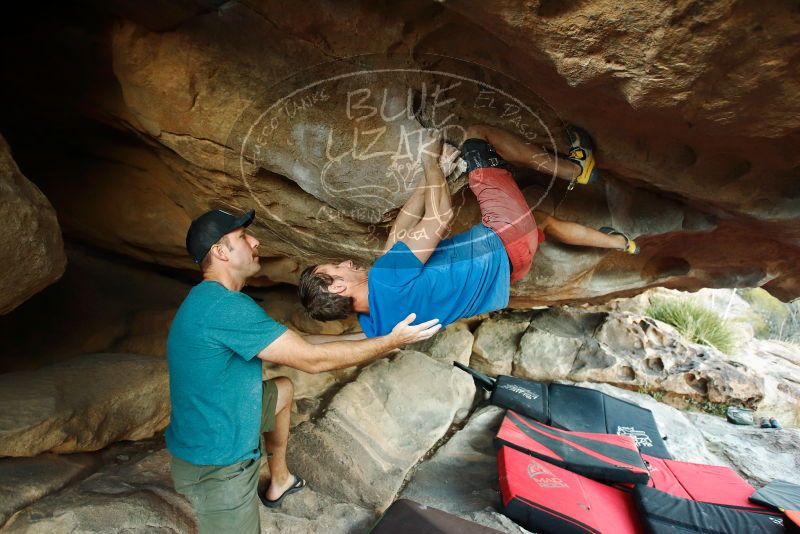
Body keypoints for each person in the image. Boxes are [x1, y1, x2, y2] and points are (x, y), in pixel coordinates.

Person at [167, 208, 441, 534]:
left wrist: (379, 336)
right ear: (220, 251)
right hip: (217, 464)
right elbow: (311, 360)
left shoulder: (213, 300)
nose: (255, 241)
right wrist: (390, 342)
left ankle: (279, 480)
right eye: (242, 237)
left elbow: (297, 342)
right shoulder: (225, 307)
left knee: (282, 389)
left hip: (217, 421)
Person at [299, 124, 640, 337]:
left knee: (542, 221)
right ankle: (575, 169)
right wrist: (430, 163)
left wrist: (434, 176)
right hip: (504, 235)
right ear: (340, 286)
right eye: (335, 268)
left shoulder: (379, 324)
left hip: (510, 270)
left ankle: (620, 243)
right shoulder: (387, 277)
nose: (344, 262)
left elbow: (399, 231)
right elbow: (442, 215)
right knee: (477, 135)